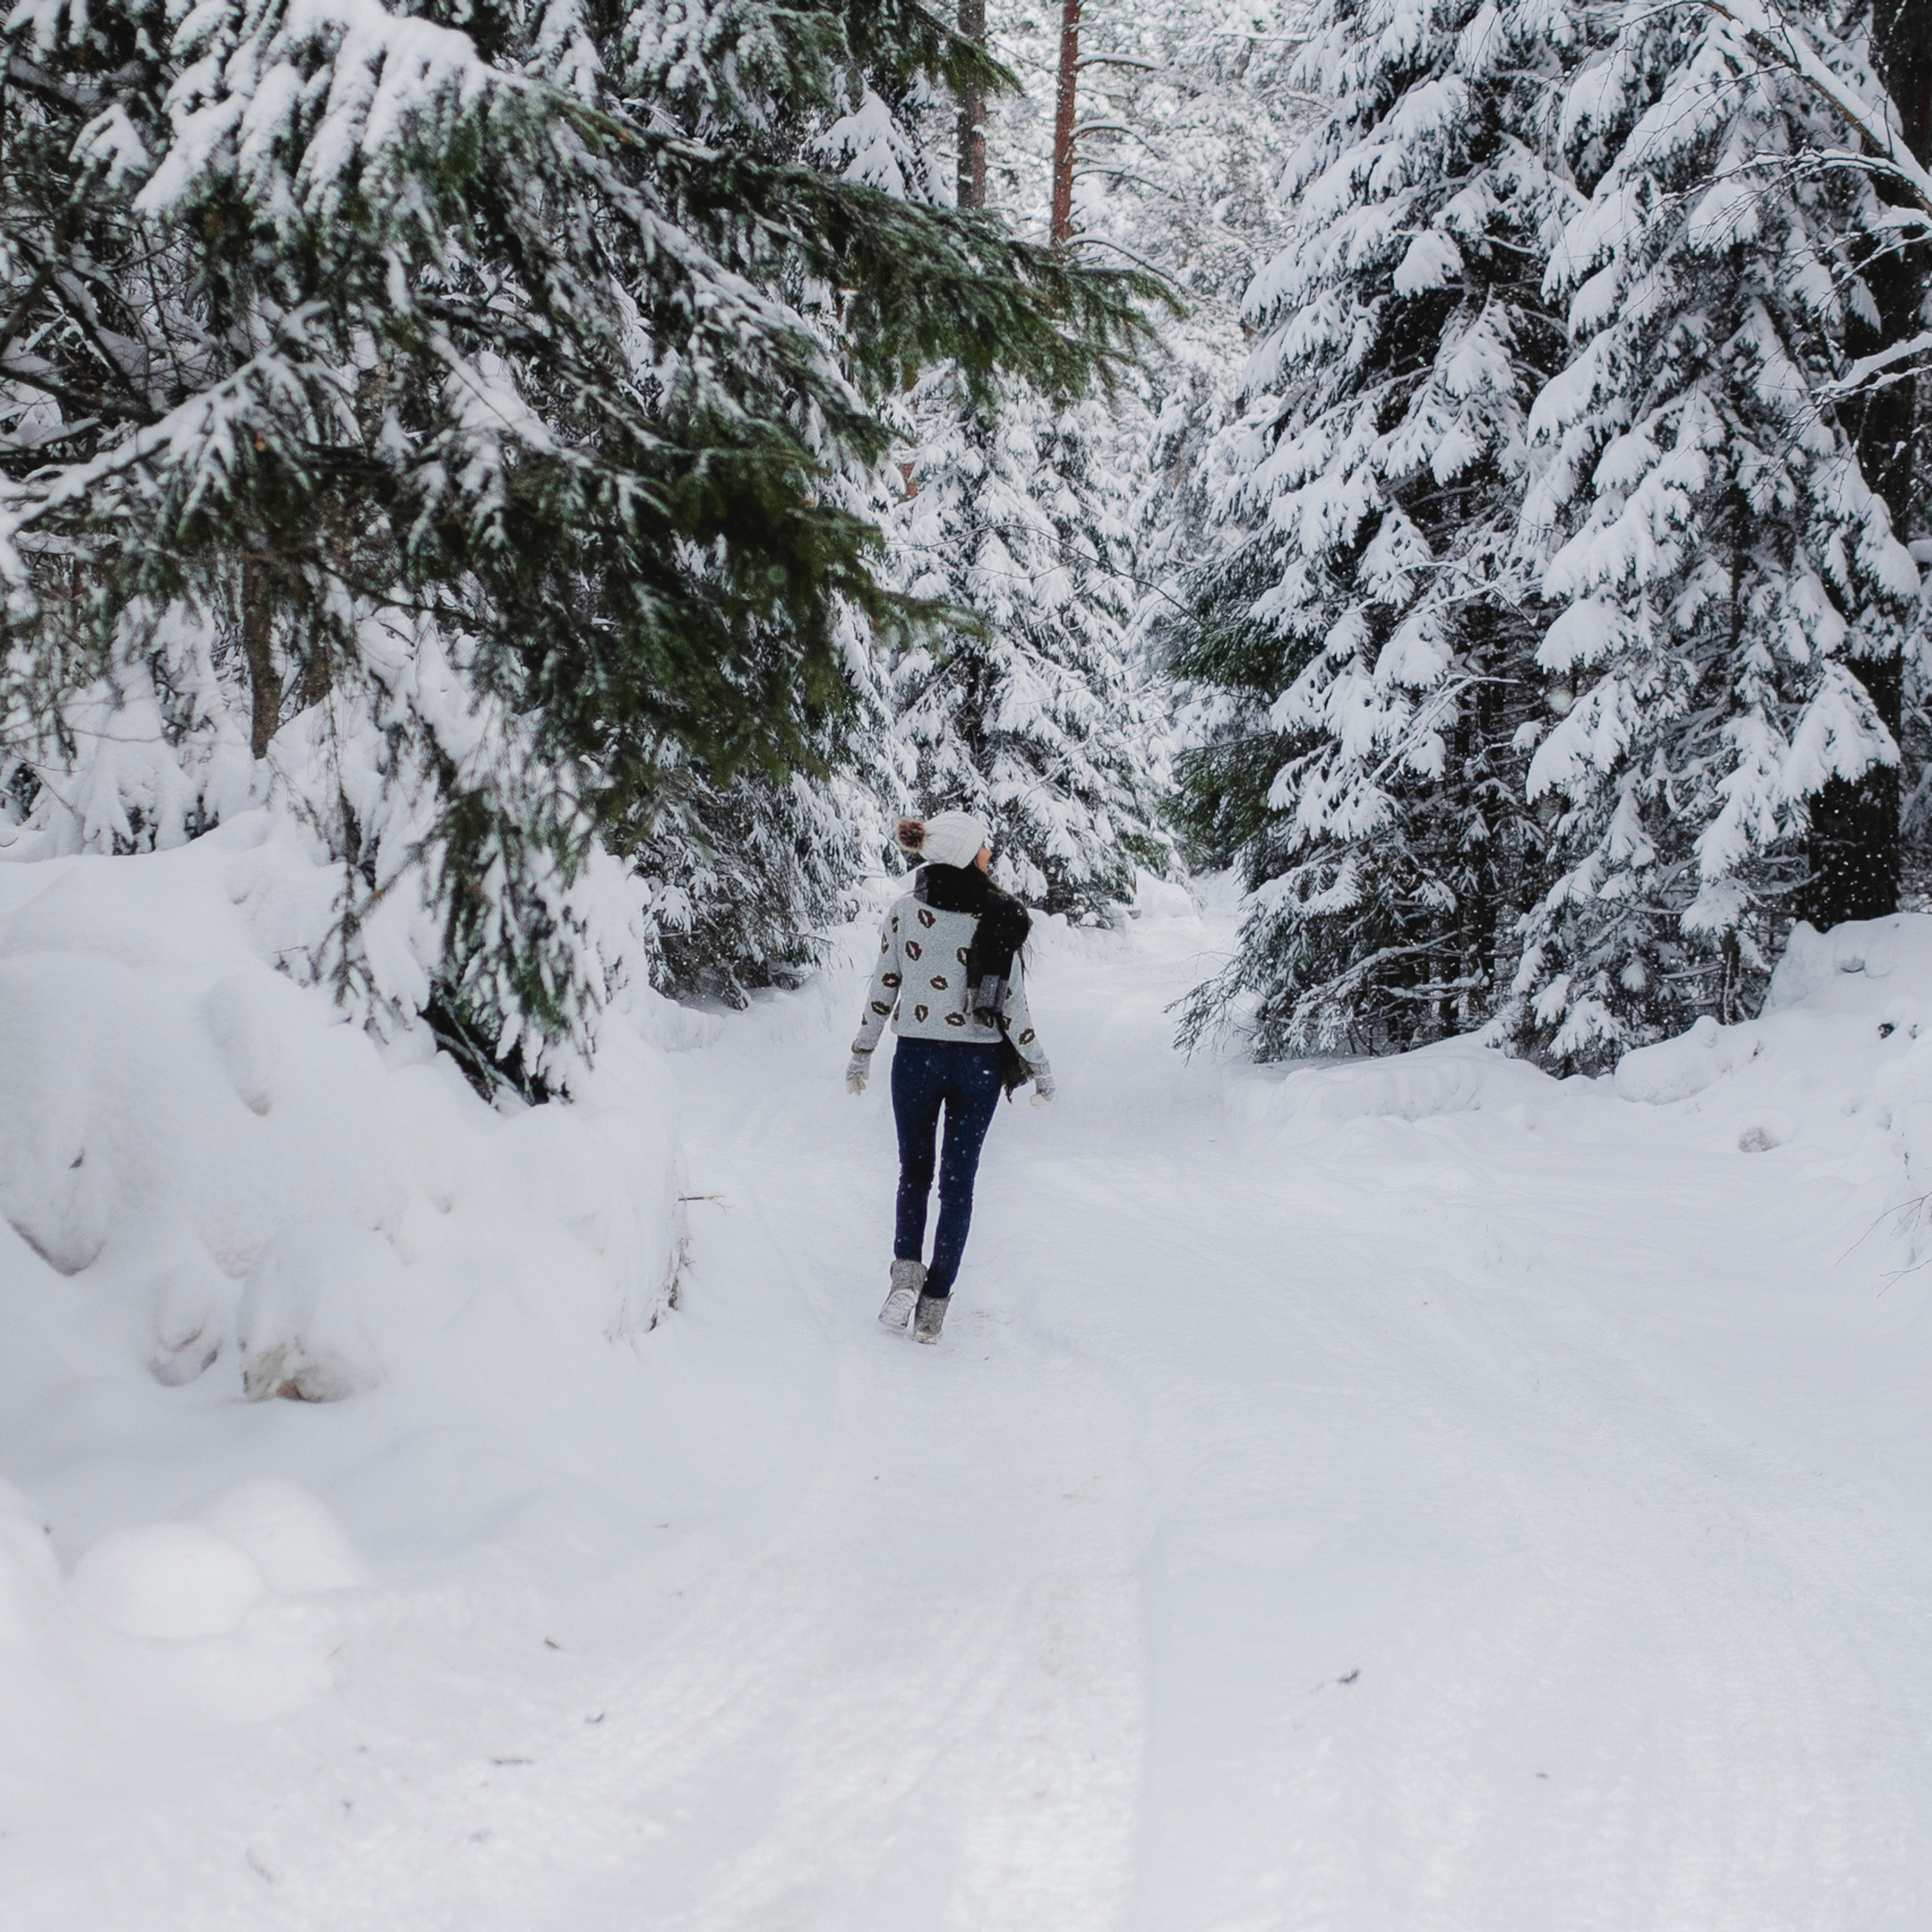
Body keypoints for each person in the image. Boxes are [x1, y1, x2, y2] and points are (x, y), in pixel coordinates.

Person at [845, 810, 1054, 1343]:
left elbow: (883, 986)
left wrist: (862, 1052)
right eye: (984, 847)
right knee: (957, 1188)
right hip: (976, 1066)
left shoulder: (904, 913)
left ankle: (905, 1276)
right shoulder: (1001, 916)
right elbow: (1013, 1005)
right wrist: (1040, 1066)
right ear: (966, 854)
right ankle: (934, 1308)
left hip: (914, 1058)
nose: (989, 855)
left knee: (914, 1173)